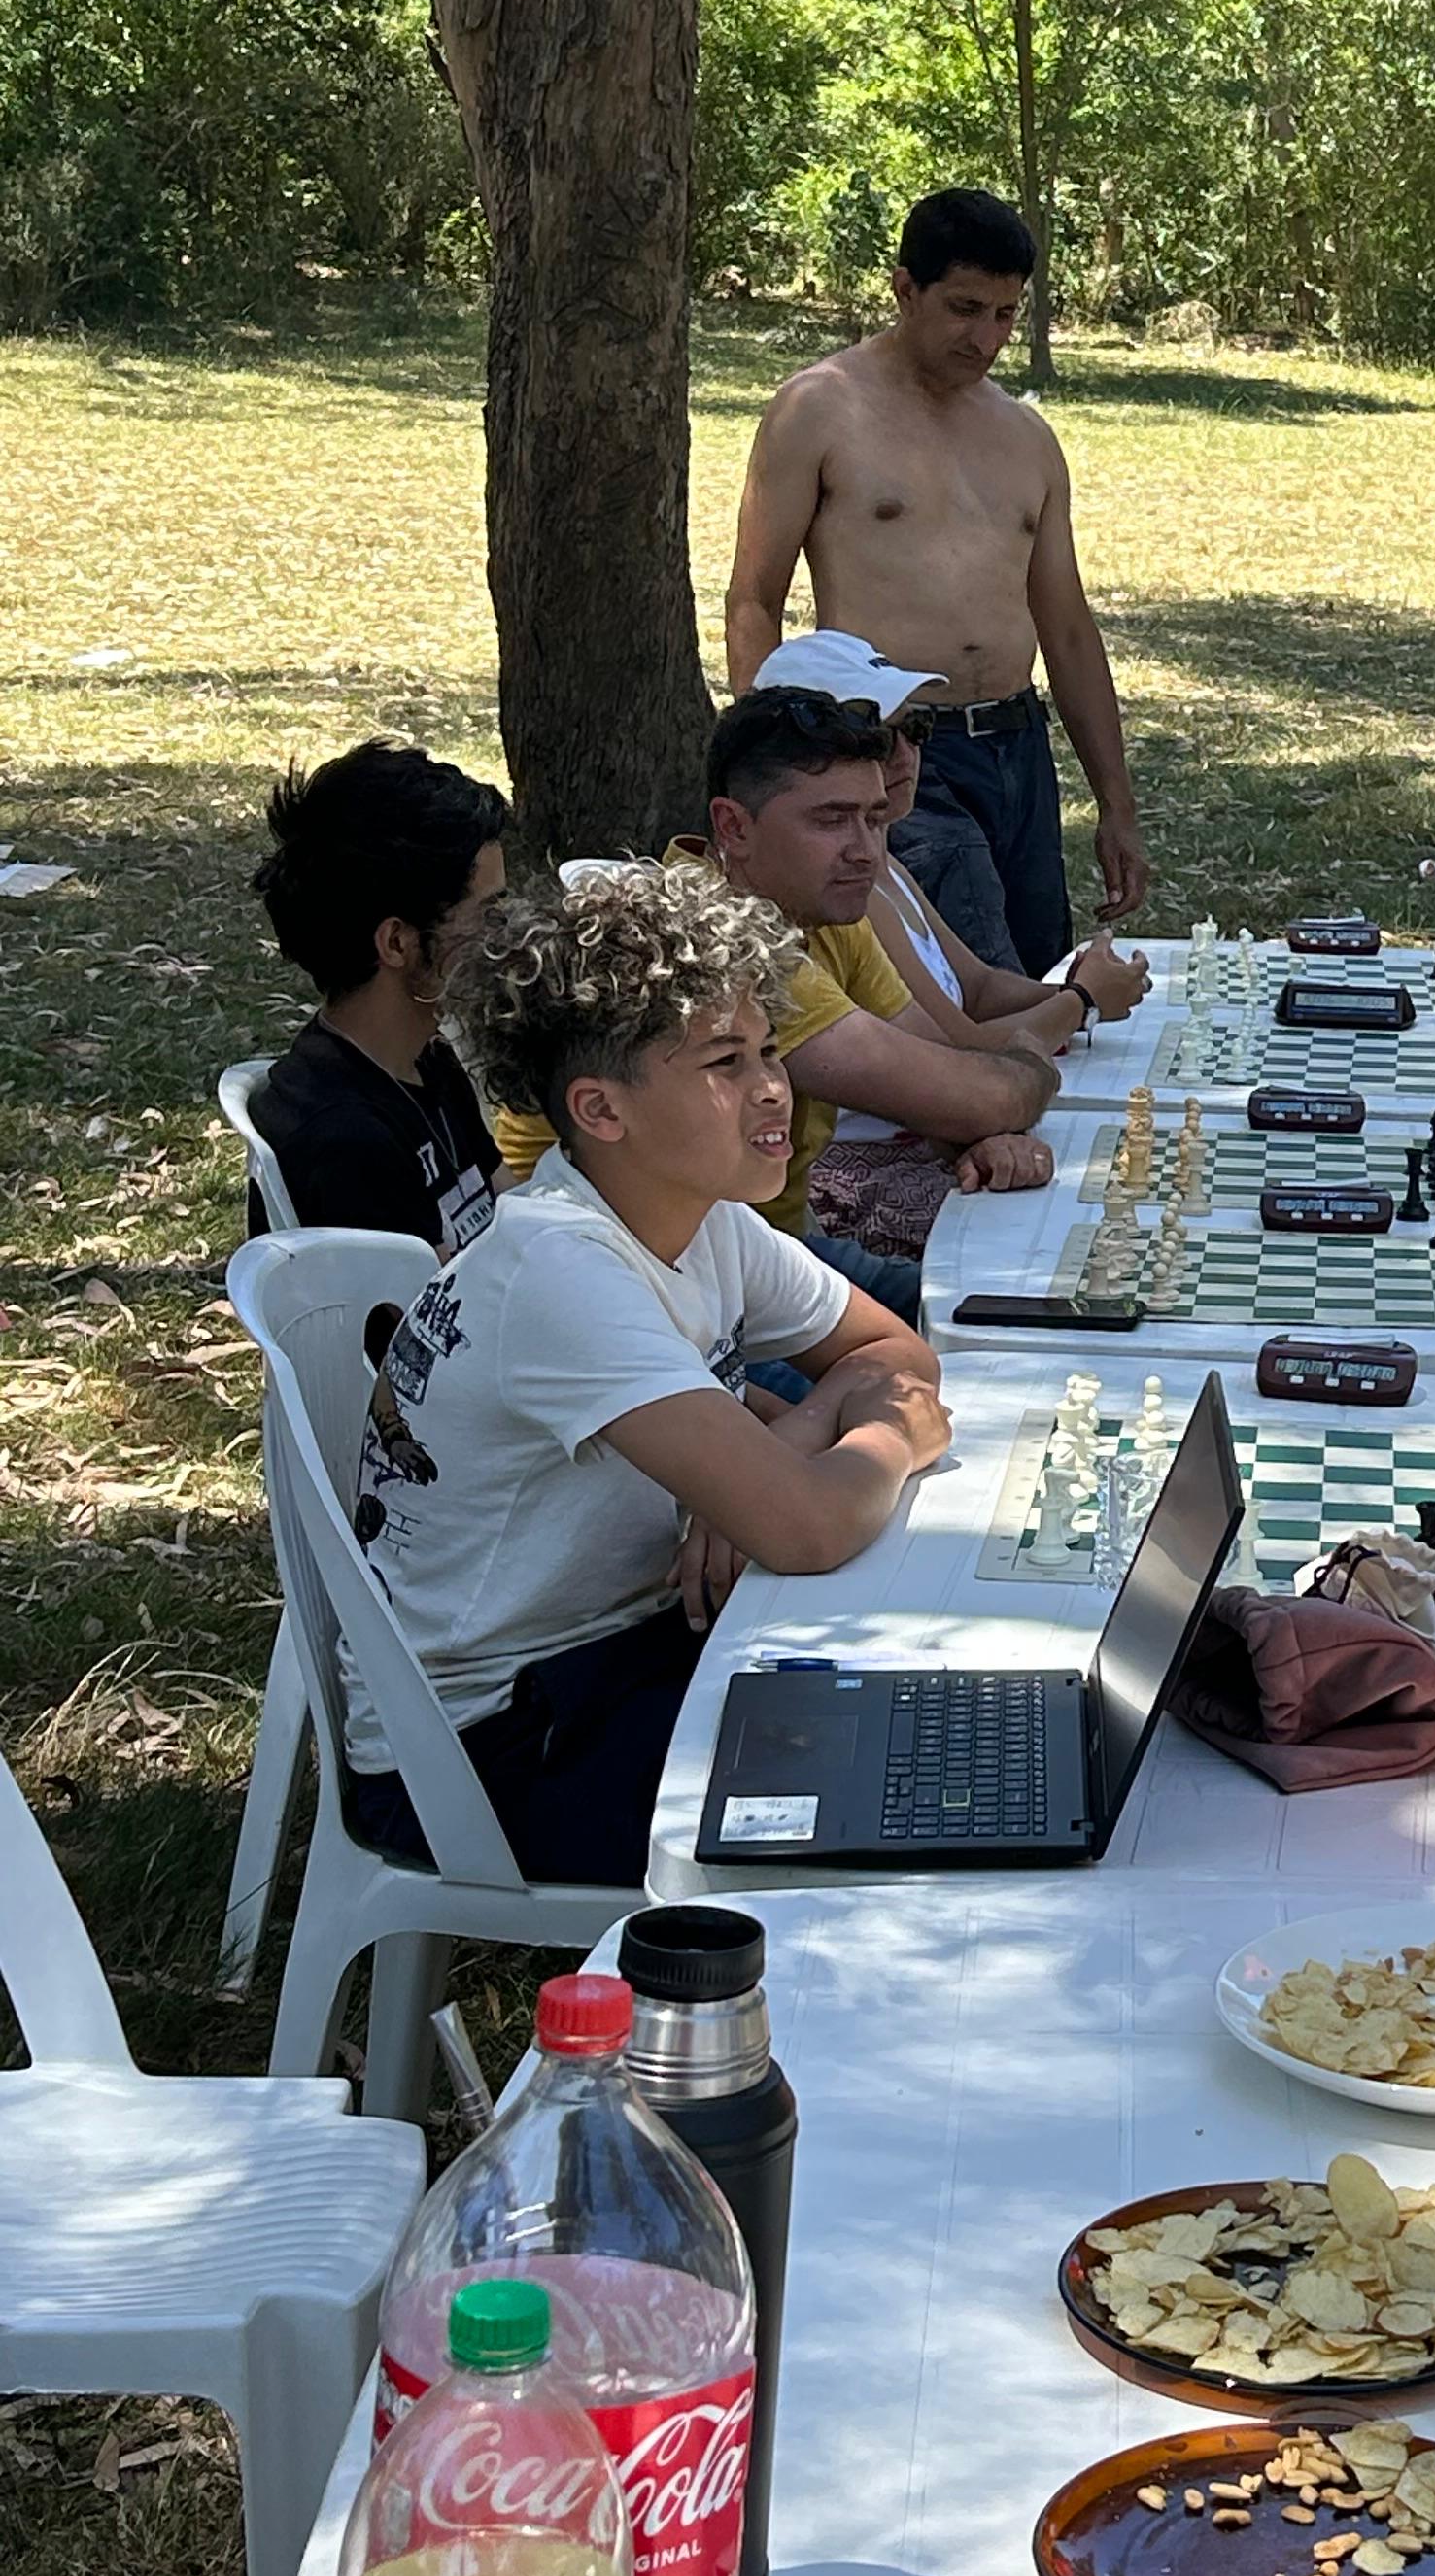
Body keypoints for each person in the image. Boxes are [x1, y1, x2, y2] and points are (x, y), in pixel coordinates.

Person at [342, 862, 950, 1886]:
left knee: (933, 1703)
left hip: (624, 1653)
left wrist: (773, 1456)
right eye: (724, 1062)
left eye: (769, 1049)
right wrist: (887, 1439)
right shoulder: (559, 1270)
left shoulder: (704, 1218)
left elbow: (897, 1354)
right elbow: (810, 1526)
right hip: (485, 1749)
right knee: (910, 1799)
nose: (772, 1086)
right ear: (601, 1109)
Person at [485, 688, 1061, 1324]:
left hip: (763, 1251)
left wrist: (975, 1128)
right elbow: (973, 1094)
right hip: (645, 1279)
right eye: (831, 820)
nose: (866, 850)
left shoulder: (824, 908)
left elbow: (944, 1073)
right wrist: (1029, 1063)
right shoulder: (713, 937)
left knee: (1012, 1308)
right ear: (734, 826)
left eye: (875, 819)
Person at [724, 186, 1151, 976]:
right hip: (895, 748)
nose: (985, 337)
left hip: (1018, 748)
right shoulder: (819, 409)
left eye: (1005, 314)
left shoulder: (1026, 436)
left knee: (1040, 976)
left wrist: (1115, 804)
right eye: (965, 308)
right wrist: (777, 768)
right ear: (904, 289)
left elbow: (1066, 629)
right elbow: (755, 600)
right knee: (973, 997)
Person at [749, 626, 1151, 1257]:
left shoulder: (871, 872)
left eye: (917, 729)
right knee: (1077, 1237)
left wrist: (1071, 1001)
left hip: (903, 1150)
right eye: (875, 737)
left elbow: (976, 998)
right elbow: (966, 1064)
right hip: (843, 1186)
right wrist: (1079, 1003)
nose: (903, 755)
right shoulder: (791, 920)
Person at [247, 740, 510, 1252]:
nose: (505, 937)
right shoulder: (345, 1142)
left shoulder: (425, 1058)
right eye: (489, 914)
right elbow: (442, 1299)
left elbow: (510, 1208)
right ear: (397, 943)